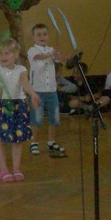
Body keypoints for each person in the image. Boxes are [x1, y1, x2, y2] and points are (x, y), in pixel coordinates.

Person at [0, 37, 41, 182]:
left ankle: (16, 168)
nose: (3, 56)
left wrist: (33, 94)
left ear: (15, 54)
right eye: (0, 53)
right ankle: (3, 170)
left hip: (18, 105)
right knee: (0, 139)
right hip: (1, 105)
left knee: (17, 140)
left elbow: (25, 84)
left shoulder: (21, 70)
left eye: (7, 53)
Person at [27, 23, 66, 156]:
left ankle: (51, 142)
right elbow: (39, 57)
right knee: (36, 118)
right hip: (37, 91)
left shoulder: (51, 50)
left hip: (51, 90)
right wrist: (51, 54)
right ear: (33, 38)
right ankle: (34, 143)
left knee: (54, 117)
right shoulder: (32, 51)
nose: (42, 37)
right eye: (38, 35)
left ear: (48, 36)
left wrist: (61, 56)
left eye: (44, 34)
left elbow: (59, 59)